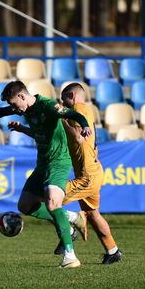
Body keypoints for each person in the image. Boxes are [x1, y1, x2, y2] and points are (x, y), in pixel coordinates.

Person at [0, 80, 92, 268]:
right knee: (25, 205)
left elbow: (73, 114)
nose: (13, 108)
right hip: (43, 163)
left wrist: (84, 125)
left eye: (13, 103)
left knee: (52, 203)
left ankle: (70, 257)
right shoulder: (25, 109)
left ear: (22, 96)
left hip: (58, 161)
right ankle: (72, 218)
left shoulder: (48, 106)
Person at [11, 83, 122, 265]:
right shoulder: (84, 110)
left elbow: (78, 137)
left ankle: (69, 231)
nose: (62, 104)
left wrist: (61, 119)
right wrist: (23, 129)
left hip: (87, 177)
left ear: (72, 96)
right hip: (92, 172)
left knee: (48, 200)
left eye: (63, 100)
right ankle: (113, 251)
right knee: (93, 213)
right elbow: (50, 134)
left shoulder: (78, 109)